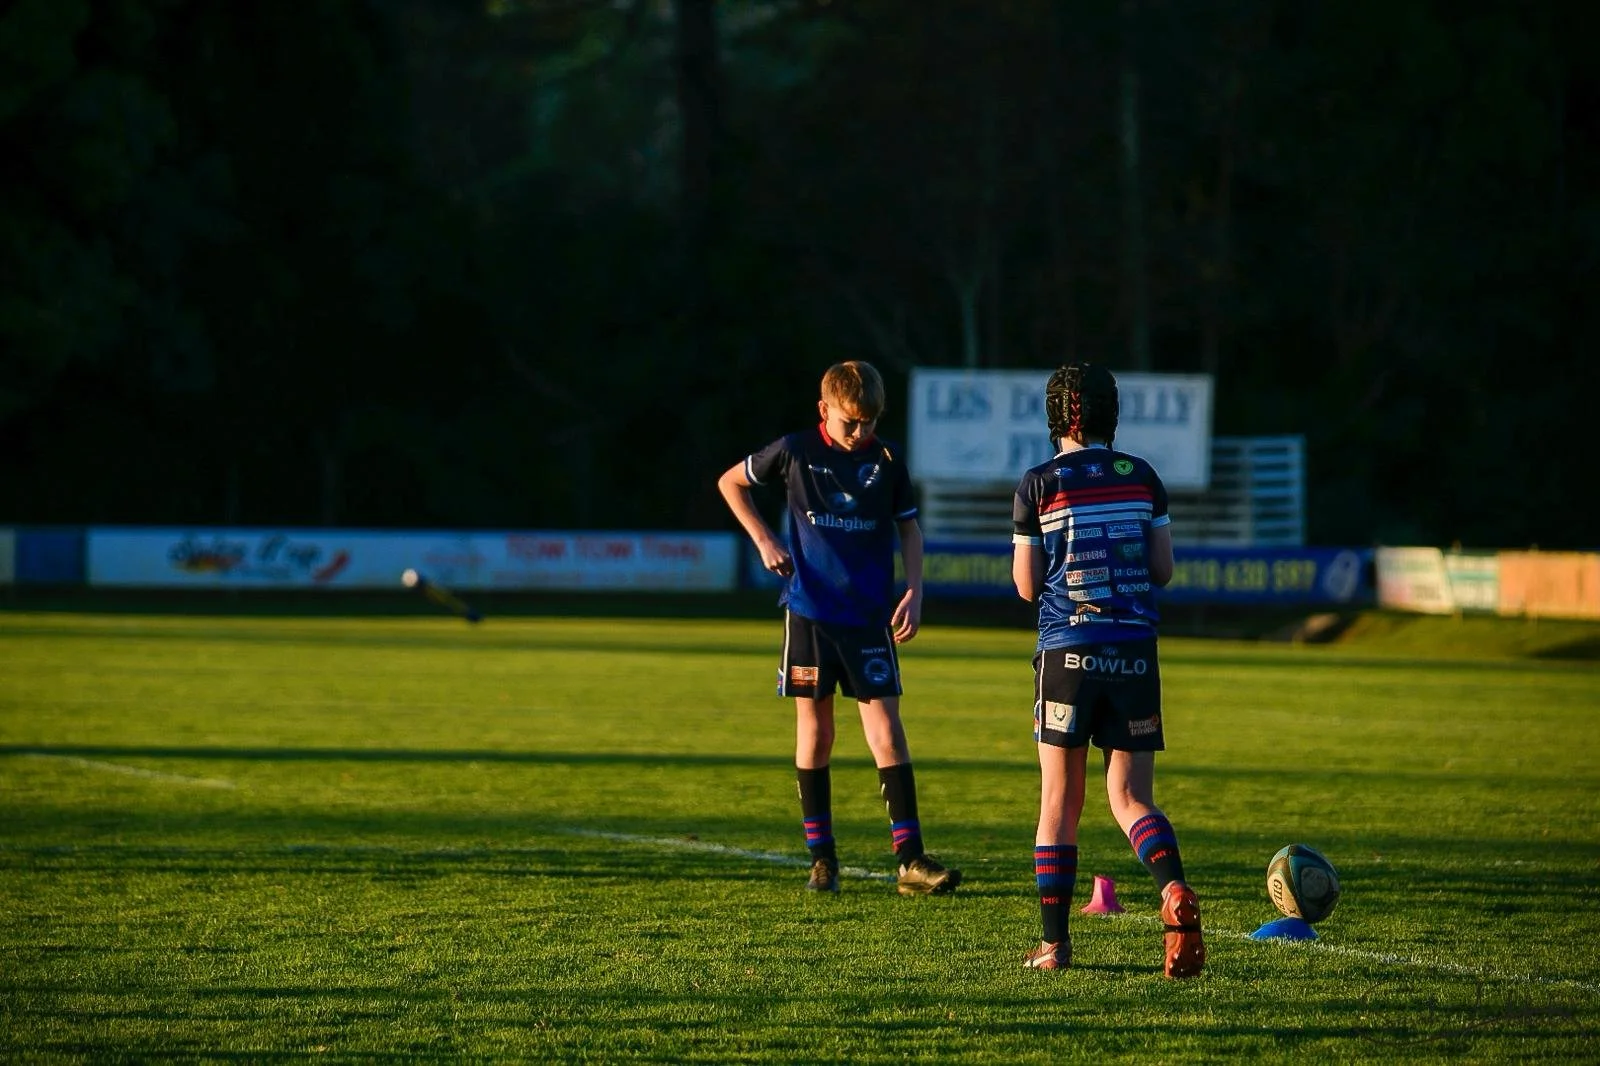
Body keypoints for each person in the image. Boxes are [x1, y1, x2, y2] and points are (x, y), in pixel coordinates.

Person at [716, 360, 961, 897]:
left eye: (870, 423)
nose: (861, 433)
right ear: (824, 410)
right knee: (818, 733)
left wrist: (915, 591)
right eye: (851, 423)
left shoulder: (889, 461)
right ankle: (822, 860)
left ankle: (911, 860)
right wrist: (763, 539)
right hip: (810, 612)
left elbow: (910, 530)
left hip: (870, 615)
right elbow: (730, 482)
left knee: (886, 732)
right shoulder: (795, 451)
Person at [1010, 362, 1203, 977]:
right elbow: (1163, 570)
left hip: (1067, 652)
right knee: (1130, 797)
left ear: (1055, 417)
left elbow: (1024, 585)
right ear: (1109, 415)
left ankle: (1054, 946)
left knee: (1059, 803)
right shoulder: (1142, 478)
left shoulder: (1038, 483)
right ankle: (1172, 889)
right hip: (1134, 652)